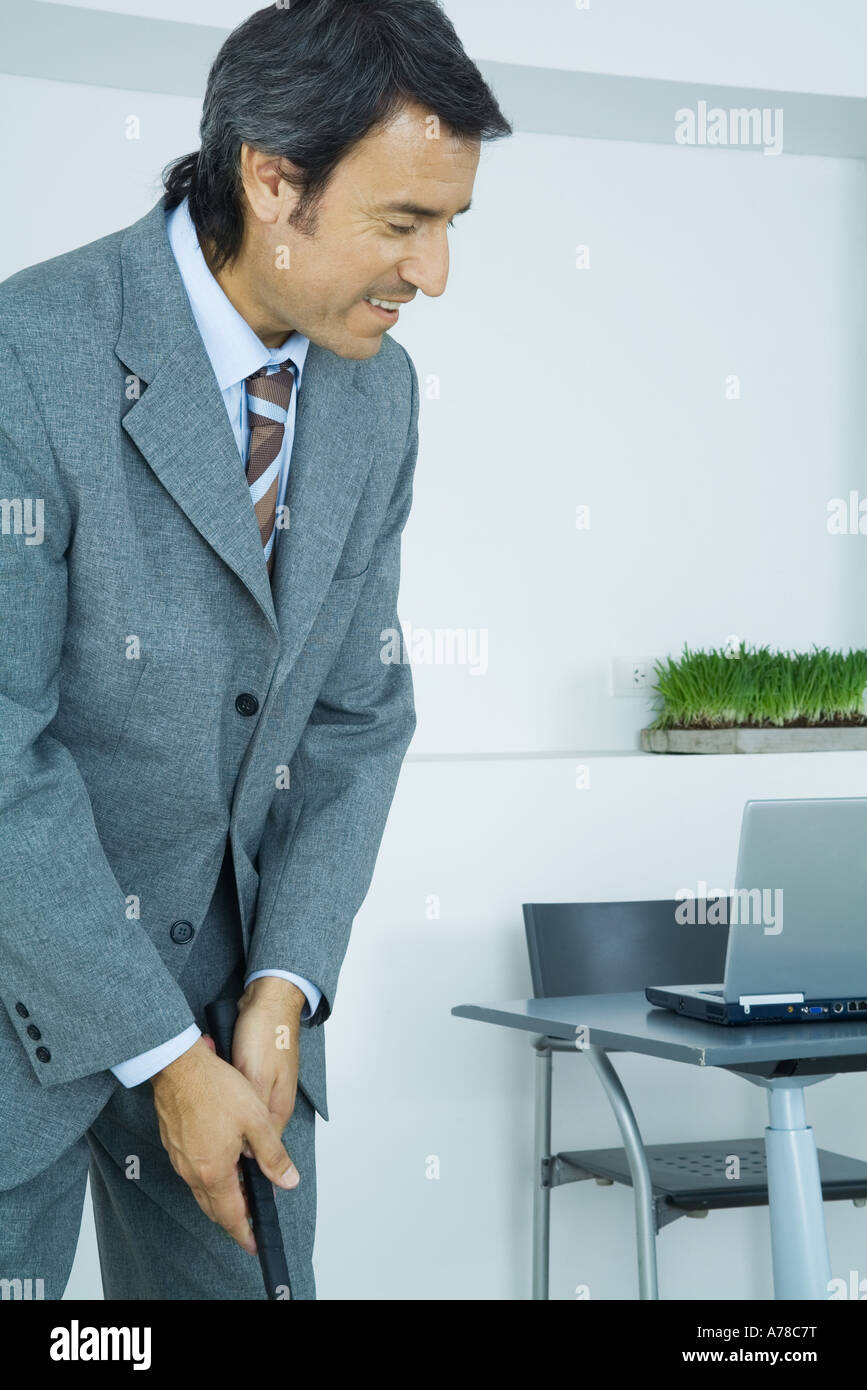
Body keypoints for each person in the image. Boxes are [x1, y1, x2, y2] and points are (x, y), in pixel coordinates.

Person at [0, 0, 511, 1299]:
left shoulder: (376, 393)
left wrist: (281, 986)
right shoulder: (28, 356)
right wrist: (164, 1053)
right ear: (274, 181)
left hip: (243, 1019)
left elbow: (355, 715)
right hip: (24, 1001)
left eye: (450, 222)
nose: (436, 274)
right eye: (405, 223)